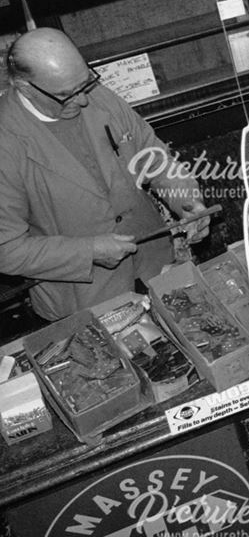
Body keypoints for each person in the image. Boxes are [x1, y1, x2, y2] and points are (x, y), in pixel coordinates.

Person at [0, 28, 211, 321]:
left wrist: (187, 202)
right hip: (87, 295)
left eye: (85, 83)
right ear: (24, 87)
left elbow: (153, 156)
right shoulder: (5, 142)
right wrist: (88, 251)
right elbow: (7, 250)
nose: (83, 100)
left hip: (156, 264)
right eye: (66, 95)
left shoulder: (92, 94)